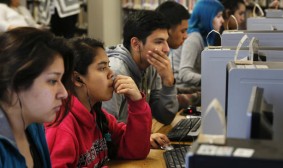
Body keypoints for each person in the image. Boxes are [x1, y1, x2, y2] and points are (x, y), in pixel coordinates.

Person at [45, 37, 152, 167]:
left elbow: (135, 150)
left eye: (109, 66)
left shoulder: (98, 115)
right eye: (102, 68)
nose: (111, 73)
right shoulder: (61, 127)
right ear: (77, 79)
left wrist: (137, 103)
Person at [102, 10, 178, 149]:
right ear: (136, 44)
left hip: (132, 146)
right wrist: (142, 137)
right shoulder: (115, 71)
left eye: (166, 41)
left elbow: (164, 116)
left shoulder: (150, 66)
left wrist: (168, 81)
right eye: (159, 41)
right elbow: (106, 131)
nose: (167, 49)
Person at [0, 27, 74, 167]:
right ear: (15, 80)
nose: (64, 93)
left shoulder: (33, 126)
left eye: (61, 80)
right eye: (52, 81)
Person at [171, 0, 224, 99]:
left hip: (191, 87)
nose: (222, 20)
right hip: (182, 89)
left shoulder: (206, 37)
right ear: (206, 17)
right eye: (218, 16)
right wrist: (211, 79)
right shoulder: (194, 38)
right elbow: (184, 74)